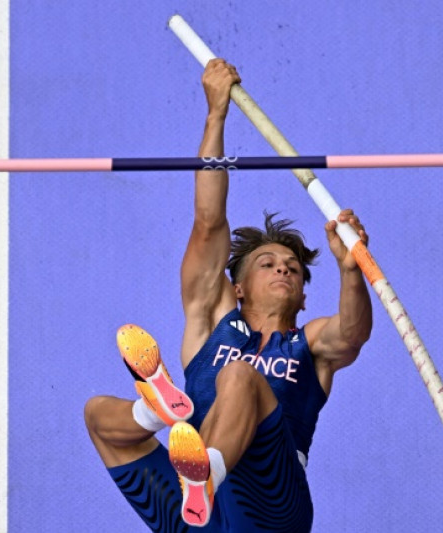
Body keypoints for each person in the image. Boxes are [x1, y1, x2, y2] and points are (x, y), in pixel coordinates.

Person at [83, 58, 373, 532]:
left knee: (239, 377)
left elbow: (353, 333)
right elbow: (208, 222)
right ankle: (156, 411)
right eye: (268, 263)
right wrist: (216, 115)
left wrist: (351, 269)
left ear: (303, 297)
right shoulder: (213, 324)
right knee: (99, 415)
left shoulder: (310, 344)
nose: (283, 268)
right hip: (200, 521)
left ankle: (205, 473)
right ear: (237, 287)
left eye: (294, 269)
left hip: (274, 507)